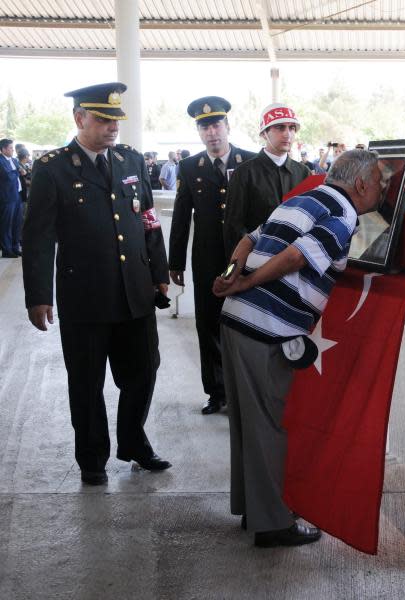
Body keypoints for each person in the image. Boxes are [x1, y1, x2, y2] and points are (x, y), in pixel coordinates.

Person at [213, 149, 388, 547]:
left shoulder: (301, 199)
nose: (383, 188)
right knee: (268, 427)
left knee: (246, 424)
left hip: (237, 319)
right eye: (380, 181)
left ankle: (253, 511)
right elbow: (296, 257)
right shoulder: (343, 215)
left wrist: (231, 277)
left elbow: (248, 239)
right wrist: (247, 281)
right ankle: (272, 524)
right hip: (265, 327)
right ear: (360, 184)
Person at [22, 82, 172, 486]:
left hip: (135, 292)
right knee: (87, 382)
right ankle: (92, 457)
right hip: (85, 295)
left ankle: (134, 442)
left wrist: (159, 274)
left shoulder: (131, 161)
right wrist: (38, 296)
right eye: (103, 120)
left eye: (116, 120)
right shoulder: (53, 168)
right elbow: (37, 237)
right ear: (79, 119)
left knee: (144, 370)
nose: (112, 128)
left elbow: (148, 222)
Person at [168, 96, 257, 415]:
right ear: (199, 132)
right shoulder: (190, 166)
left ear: (228, 127)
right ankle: (216, 392)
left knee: (245, 322)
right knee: (208, 323)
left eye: (217, 125)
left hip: (244, 256)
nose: (212, 133)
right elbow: (181, 215)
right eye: (205, 127)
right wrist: (174, 261)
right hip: (205, 257)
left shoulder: (250, 161)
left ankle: (243, 390)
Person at [223, 102, 310, 258]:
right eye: (280, 127)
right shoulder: (244, 173)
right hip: (254, 262)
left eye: (292, 128)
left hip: (295, 263)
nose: (287, 134)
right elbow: (234, 226)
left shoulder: (304, 173)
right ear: (264, 133)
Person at [0, 138, 23, 257]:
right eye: (10, 148)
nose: (12, 150)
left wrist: (19, 171)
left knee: (17, 222)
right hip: (7, 196)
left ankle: (15, 247)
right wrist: (18, 171)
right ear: (3, 149)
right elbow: (8, 176)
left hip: (17, 194)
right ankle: (6, 250)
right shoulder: (1, 161)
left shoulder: (14, 160)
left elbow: (19, 171)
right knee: (6, 224)